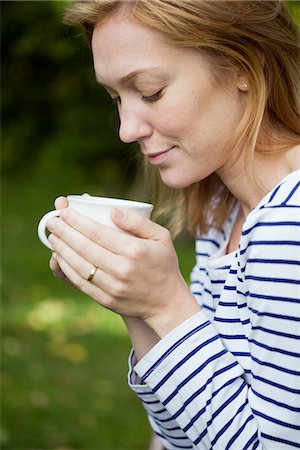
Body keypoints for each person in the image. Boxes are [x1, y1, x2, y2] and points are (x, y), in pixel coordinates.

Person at [47, 1, 300, 448]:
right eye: (115, 98)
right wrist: (136, 304)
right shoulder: (223, 211)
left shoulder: (289, 222)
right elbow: (183, 436)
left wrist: (167, 304)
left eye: (150, 91)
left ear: (244, 65)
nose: (126, 129)